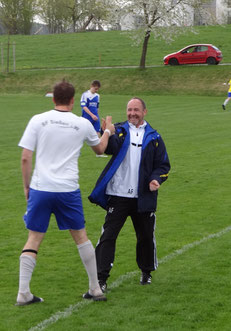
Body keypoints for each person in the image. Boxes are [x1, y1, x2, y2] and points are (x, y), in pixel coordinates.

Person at [16, 80, 114, 306]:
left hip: (41, 189)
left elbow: (25, 157)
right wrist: (107, 130)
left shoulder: (37, 120)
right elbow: (100, 149)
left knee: (34, 237)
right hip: (67, 190)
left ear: (53, 99)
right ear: (72, 100)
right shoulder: (82, 124)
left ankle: (23, 293)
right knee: (80, 236)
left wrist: (26, 187)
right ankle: (95, 288)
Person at [88, 97, 171, 292]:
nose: (132, 113)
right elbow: (108, 148)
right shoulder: (120, 130)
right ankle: (101, 279)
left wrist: (156, 179)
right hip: (118, 195)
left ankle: (146, 272)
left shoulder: (154, 137)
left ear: (144, 112)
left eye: (136, 110)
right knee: (108, 236)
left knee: (145, 237)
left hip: (143, 197)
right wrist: (105, 132)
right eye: (129, 110)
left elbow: (163, 165)